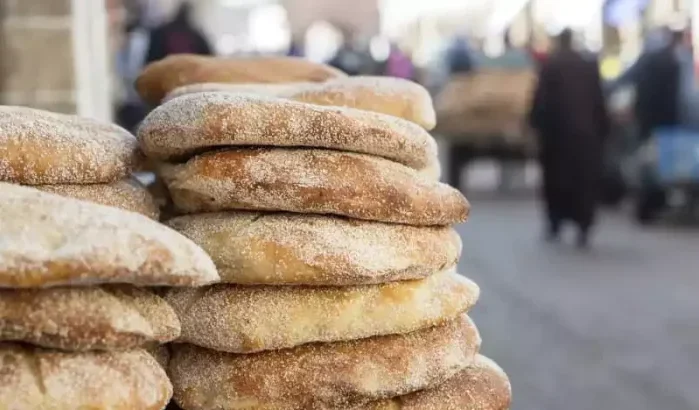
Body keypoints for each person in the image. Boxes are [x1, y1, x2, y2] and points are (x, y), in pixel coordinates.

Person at [528, 29, 610, 248]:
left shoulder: (551, 66)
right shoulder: (588, 65)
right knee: (584, 182)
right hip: (586, 136)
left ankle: (556, 223)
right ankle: (583, 225)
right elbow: (599, 101)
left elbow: (541, 102)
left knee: (556, 181)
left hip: (557, 138)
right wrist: (603, 130)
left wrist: (536, 126)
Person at [144, 1, 212, 65]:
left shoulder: (161, 32)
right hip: (186, 73)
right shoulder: (197, 36)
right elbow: (209, 58)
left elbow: (151, 59)